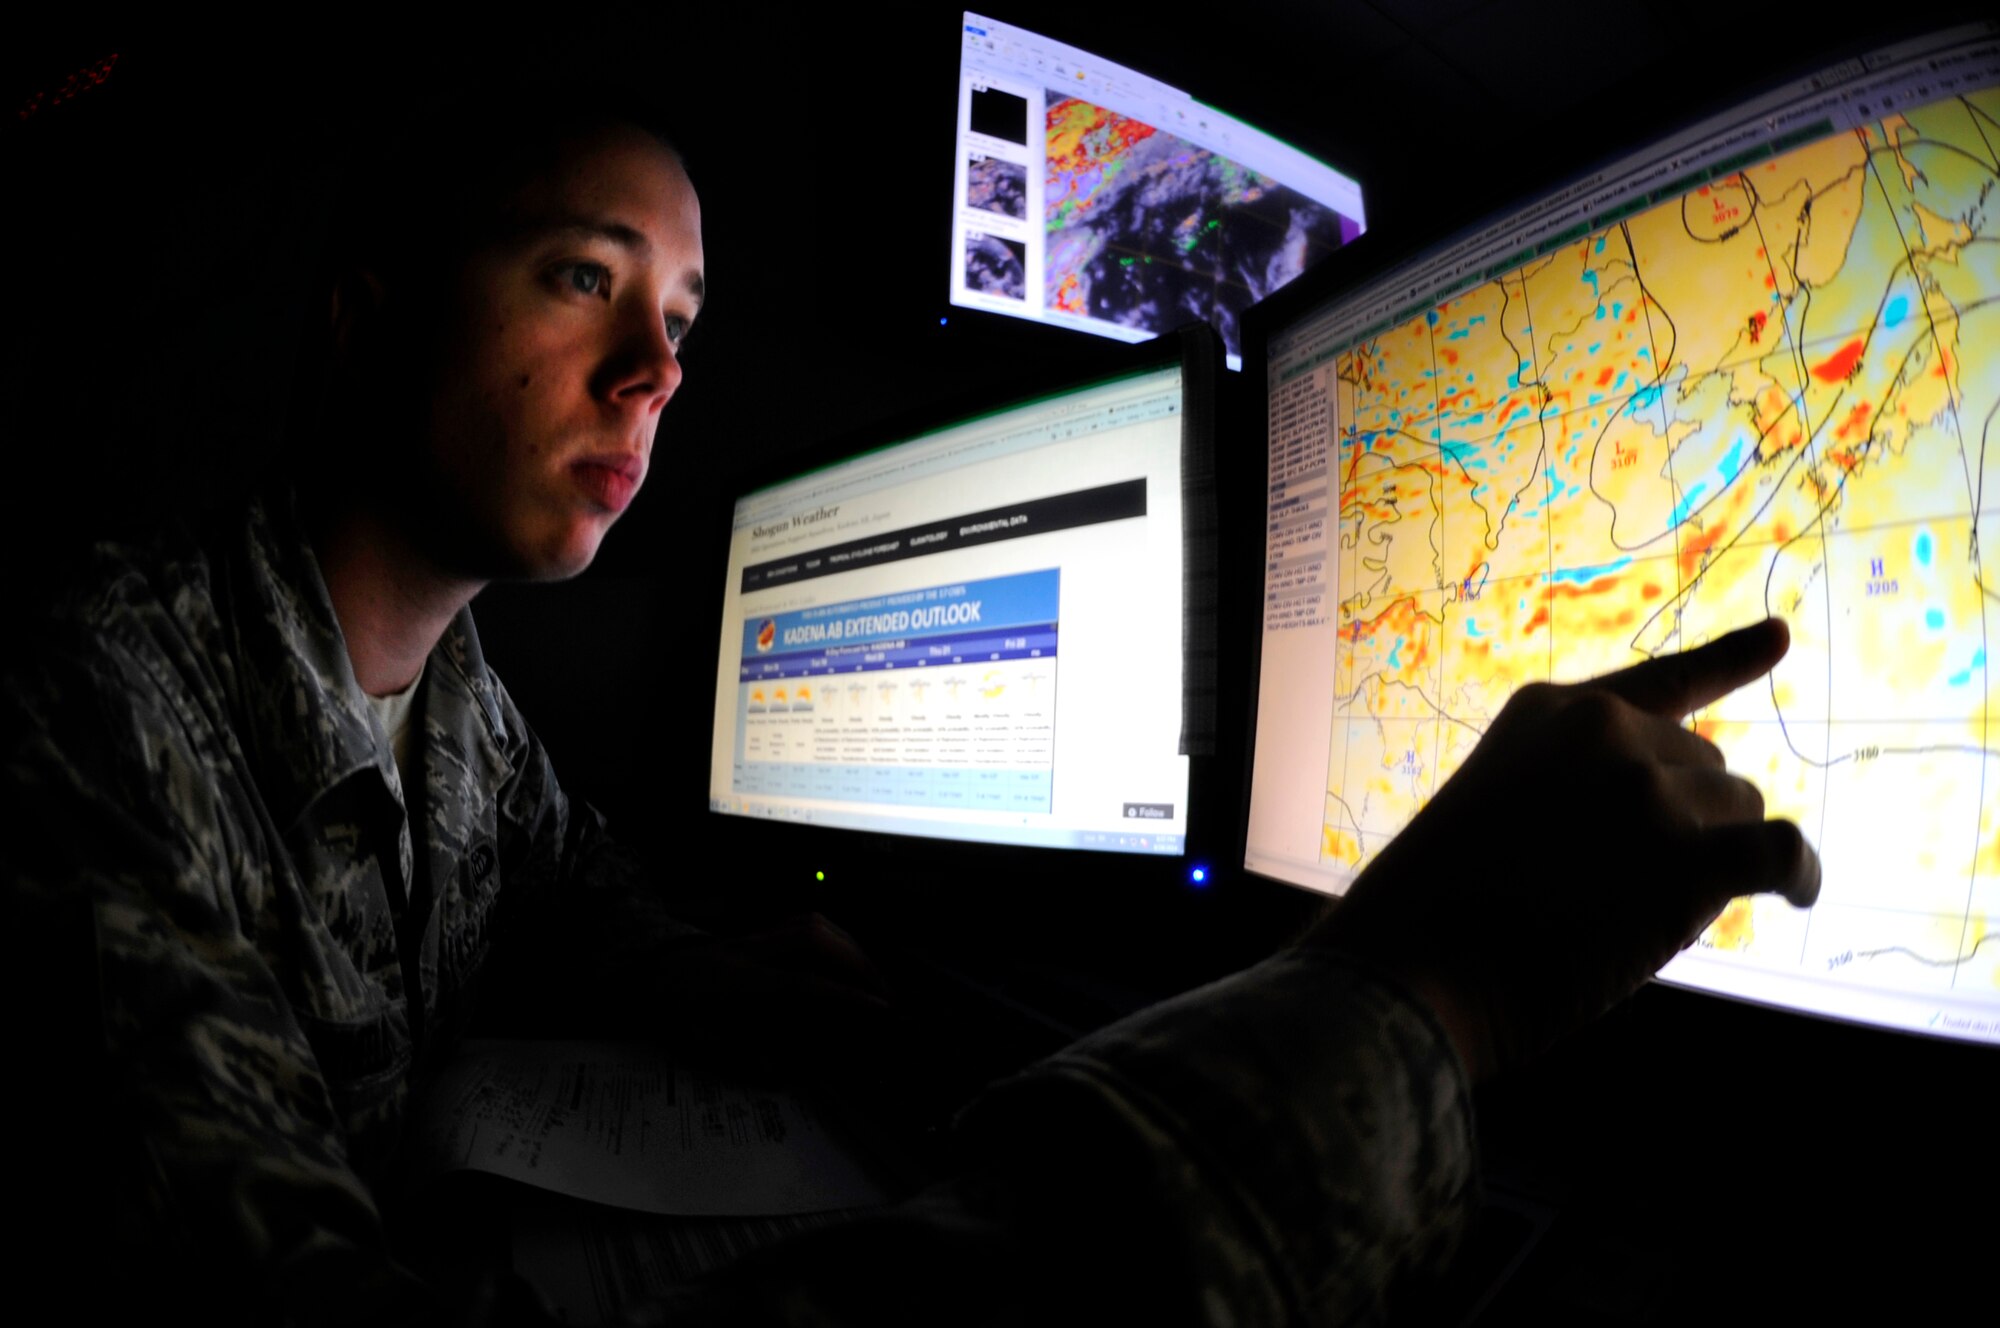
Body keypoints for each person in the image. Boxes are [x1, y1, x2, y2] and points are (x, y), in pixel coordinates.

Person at [3, 85, 1819, 1326]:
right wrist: (1432, 995)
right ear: (366, 316)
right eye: (582, 278)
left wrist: (709, 974)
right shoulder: (88, 716)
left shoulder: (457, 695)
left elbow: (567, 892)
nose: (654, 373)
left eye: (682, 322)